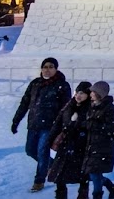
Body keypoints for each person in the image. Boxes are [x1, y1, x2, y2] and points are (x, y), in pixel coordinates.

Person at [12, 56, 72, 193]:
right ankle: (52, 165)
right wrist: (16, 121)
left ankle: (39, 181)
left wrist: (64, 126)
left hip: (50, 126)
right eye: (45, 67)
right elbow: (25, 103)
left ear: (56, 69)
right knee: (30, 150)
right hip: (33, 124)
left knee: (42, 152)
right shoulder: (35, 84)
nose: (47, 70)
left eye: (51, 67)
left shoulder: (62, 85)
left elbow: (66, 108)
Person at [48, 81, 92, 199]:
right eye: (77, 92)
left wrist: (77, 123)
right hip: (65, 145)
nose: (78, 95)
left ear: (88, 95)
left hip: (81, 147)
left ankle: (83, 197)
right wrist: (50, 139)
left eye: (82, 93)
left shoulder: (90, 108)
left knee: (83, 177)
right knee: (59, 175)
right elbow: (58, 123)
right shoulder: (69, 105)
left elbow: (90, 126)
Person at [82, 81, 114, 199]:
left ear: (100, 93)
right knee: (93, 174)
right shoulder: (91, 105)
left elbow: (109, 126)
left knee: (95, 173)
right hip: (91, 145)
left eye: (93, 92)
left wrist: (91, 124)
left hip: (102, 146)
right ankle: (111, 187)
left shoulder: (109, 108)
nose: (90, 94)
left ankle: (97, 196)